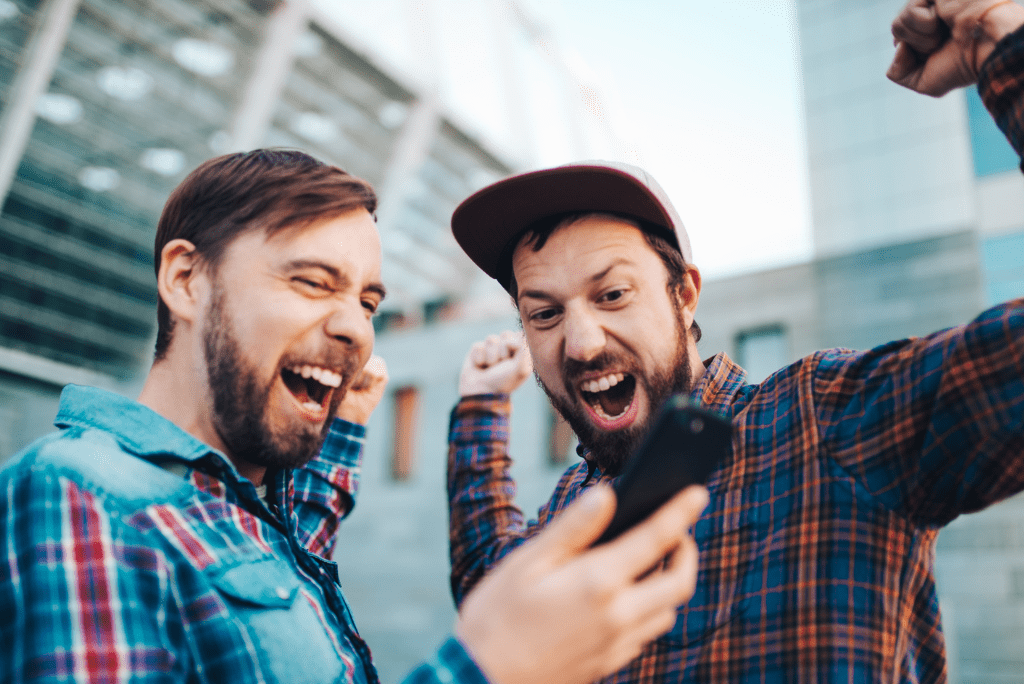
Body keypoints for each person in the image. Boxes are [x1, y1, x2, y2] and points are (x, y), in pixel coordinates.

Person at [445, 0, 1024, 681]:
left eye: (612, 295)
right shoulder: (570, 515)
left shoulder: (827, 421)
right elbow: (492, 592)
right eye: (543, 314)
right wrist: (483, 407)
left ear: (684, 293)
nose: (579, 343)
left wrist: (1004, 51)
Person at [0, 149, 710, 684]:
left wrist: (340, 431)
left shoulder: (229, 510)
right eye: (312, 283)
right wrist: (489, 666)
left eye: (368, 303)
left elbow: (273, 565)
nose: (356, 330)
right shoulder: (83, 496)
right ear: (186, 280)